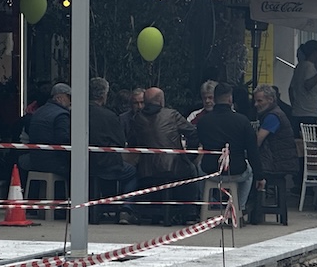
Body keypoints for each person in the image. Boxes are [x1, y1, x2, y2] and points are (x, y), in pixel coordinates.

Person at [128, 87, 201, 221]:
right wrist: (189, 156)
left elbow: (132, 142)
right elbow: (193, 133)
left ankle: (151, 212)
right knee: (191, 170)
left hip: (146, 169)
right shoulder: (172, 115)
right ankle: (189, 211)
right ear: (161, 101)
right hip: (174, 167)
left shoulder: (136, 119)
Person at [195, 83, 263, 214]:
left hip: (210, 170)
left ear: (214, 99)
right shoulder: (242, 121)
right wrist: (260, 176)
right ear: (230, 99)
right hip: (237, 170)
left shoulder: (203, 122)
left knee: (199, 168)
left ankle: (206, 205)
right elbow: (252, 151)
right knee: (249, 172)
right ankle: (239, 207)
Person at [88, 77, 138, 225]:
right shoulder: (109, 116)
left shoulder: (76, 112)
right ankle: (126, 209)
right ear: (104, 95)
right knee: (132, 172)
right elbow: (121, 142)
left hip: (82, 163)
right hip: (106, 164)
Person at [22, 82, 72, 178]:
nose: (70, 102)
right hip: (53, 163)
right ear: (59, 98)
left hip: (34, 160)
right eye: (69, 98)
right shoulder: (61, 115)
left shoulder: (39, 111)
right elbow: (63, 141)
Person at [252, 84, 300, 180]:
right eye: (255, 101)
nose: (256, 104)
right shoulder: (276, 113)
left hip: (277, 162)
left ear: (270, 100)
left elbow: (257, 141)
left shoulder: (272, 117)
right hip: (282, 160)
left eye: (259, 101)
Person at [289, 40, 317, 135]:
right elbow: (308, 85)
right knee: (310, 140)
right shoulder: (310, 67)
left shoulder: (299, 66)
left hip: (297, 112)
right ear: (315, 52)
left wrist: (294, 105)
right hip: (309, 112)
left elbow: (291, 89)